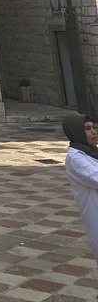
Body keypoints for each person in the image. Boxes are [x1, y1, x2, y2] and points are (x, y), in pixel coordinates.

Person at [63, 112, 98, 263]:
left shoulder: (92, 152)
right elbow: (95, 177)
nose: (94, 132)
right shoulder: (75, 158)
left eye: (93, 127)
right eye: (87, 129)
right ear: (76, 132)